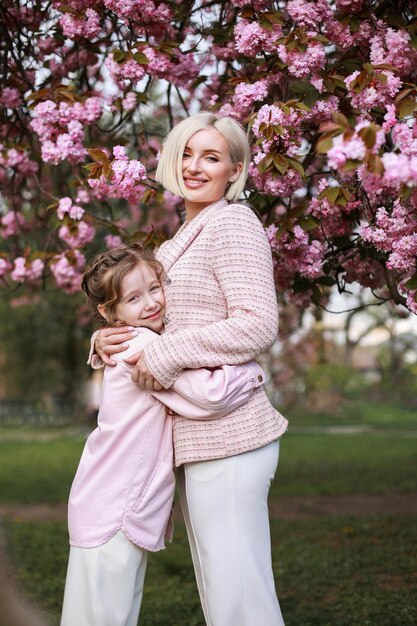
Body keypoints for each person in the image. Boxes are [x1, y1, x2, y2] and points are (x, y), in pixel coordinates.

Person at [93, 112, 289, 626]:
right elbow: (151, 318)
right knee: (222, 586)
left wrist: (163, 353)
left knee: (238, 588)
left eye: (212, 156)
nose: (195, 166)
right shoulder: (176, 241)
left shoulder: (233, 222)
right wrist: (107, 337)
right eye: (186, 153)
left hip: (233, 430)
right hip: (198, 433)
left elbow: (255, 324)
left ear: (235, 169)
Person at [61, 242, 267, 626]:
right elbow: (209, 396)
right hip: (115, 502)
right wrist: (253, 371)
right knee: (107, 614)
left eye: (155, 288)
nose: (152, 303)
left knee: (87, 612)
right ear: (110, 313)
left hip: (101, 494)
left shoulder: (132, 338)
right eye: (134, 298)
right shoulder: (143, 343)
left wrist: (97, 341)